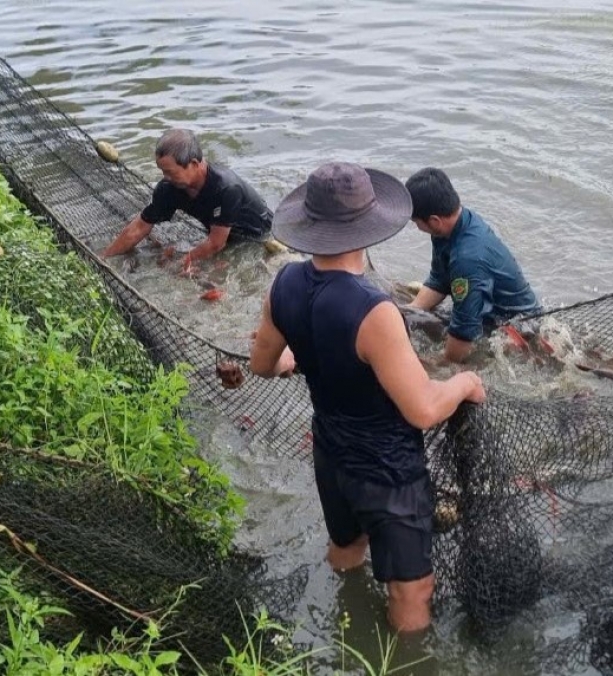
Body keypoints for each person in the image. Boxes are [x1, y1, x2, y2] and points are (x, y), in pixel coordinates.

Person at [248, 161, 486, 633]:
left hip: (330, 453)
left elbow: (262, 365)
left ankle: (345, 622)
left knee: (345, 548)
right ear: (368, 228)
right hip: (388, 471)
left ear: (310, 224)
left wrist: (294, 359)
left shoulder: (284, 285)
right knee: (411, 589)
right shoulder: (374, 310)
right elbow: (421, 410)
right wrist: (464, 384)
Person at [405, 168, 541, 363]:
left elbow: (464, 330)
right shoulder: (449, 227)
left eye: (416, 222)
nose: (417, 227)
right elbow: (439, 278)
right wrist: (411, 310)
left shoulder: (467, 259)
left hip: (519, 325)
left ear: (434, 221)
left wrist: (439, 362)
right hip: (487, 309)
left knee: (441, 362)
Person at [101, 128, 273, 271]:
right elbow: (139, 227)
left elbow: (216, 243)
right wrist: (104, 258)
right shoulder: (169, 188)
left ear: (194, 164)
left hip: (259, 238)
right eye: (162, 171)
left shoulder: (226, 188)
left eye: (170, 172)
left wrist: (180, 264)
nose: (165, 178)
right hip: (220, 233)